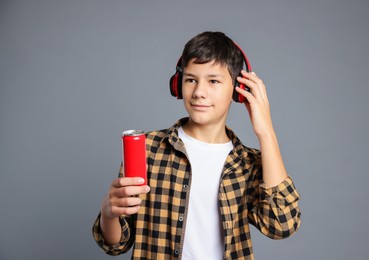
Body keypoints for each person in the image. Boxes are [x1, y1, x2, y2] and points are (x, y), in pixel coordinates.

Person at [92, 31, 301, 259]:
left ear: (239, 90)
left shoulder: (247, 163)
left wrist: (266, 132)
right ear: (177, 85)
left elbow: (283, 225)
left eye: (213, 81)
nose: (199, 92)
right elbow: (116, 244)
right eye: (191, 80)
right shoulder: (147, 149)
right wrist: (108, 213)